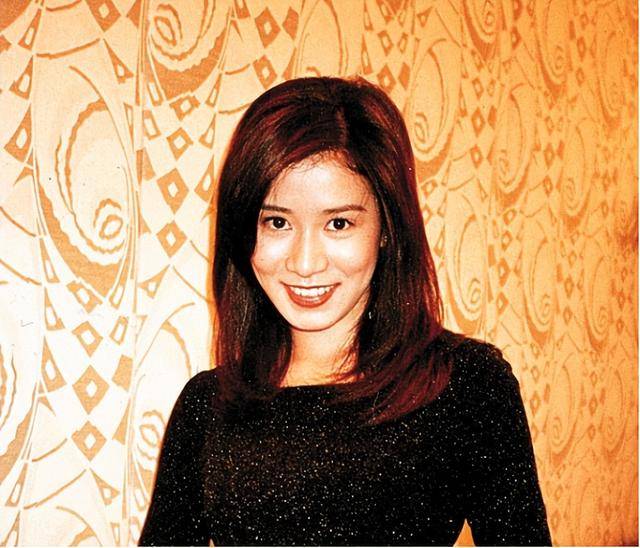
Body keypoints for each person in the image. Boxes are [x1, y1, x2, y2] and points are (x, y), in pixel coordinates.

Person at [139, 77, 551, 546]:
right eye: (277, 222)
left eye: (338, 223)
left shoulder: (465, 384)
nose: (305, 263)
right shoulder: (207, 406)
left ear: (386, 228)